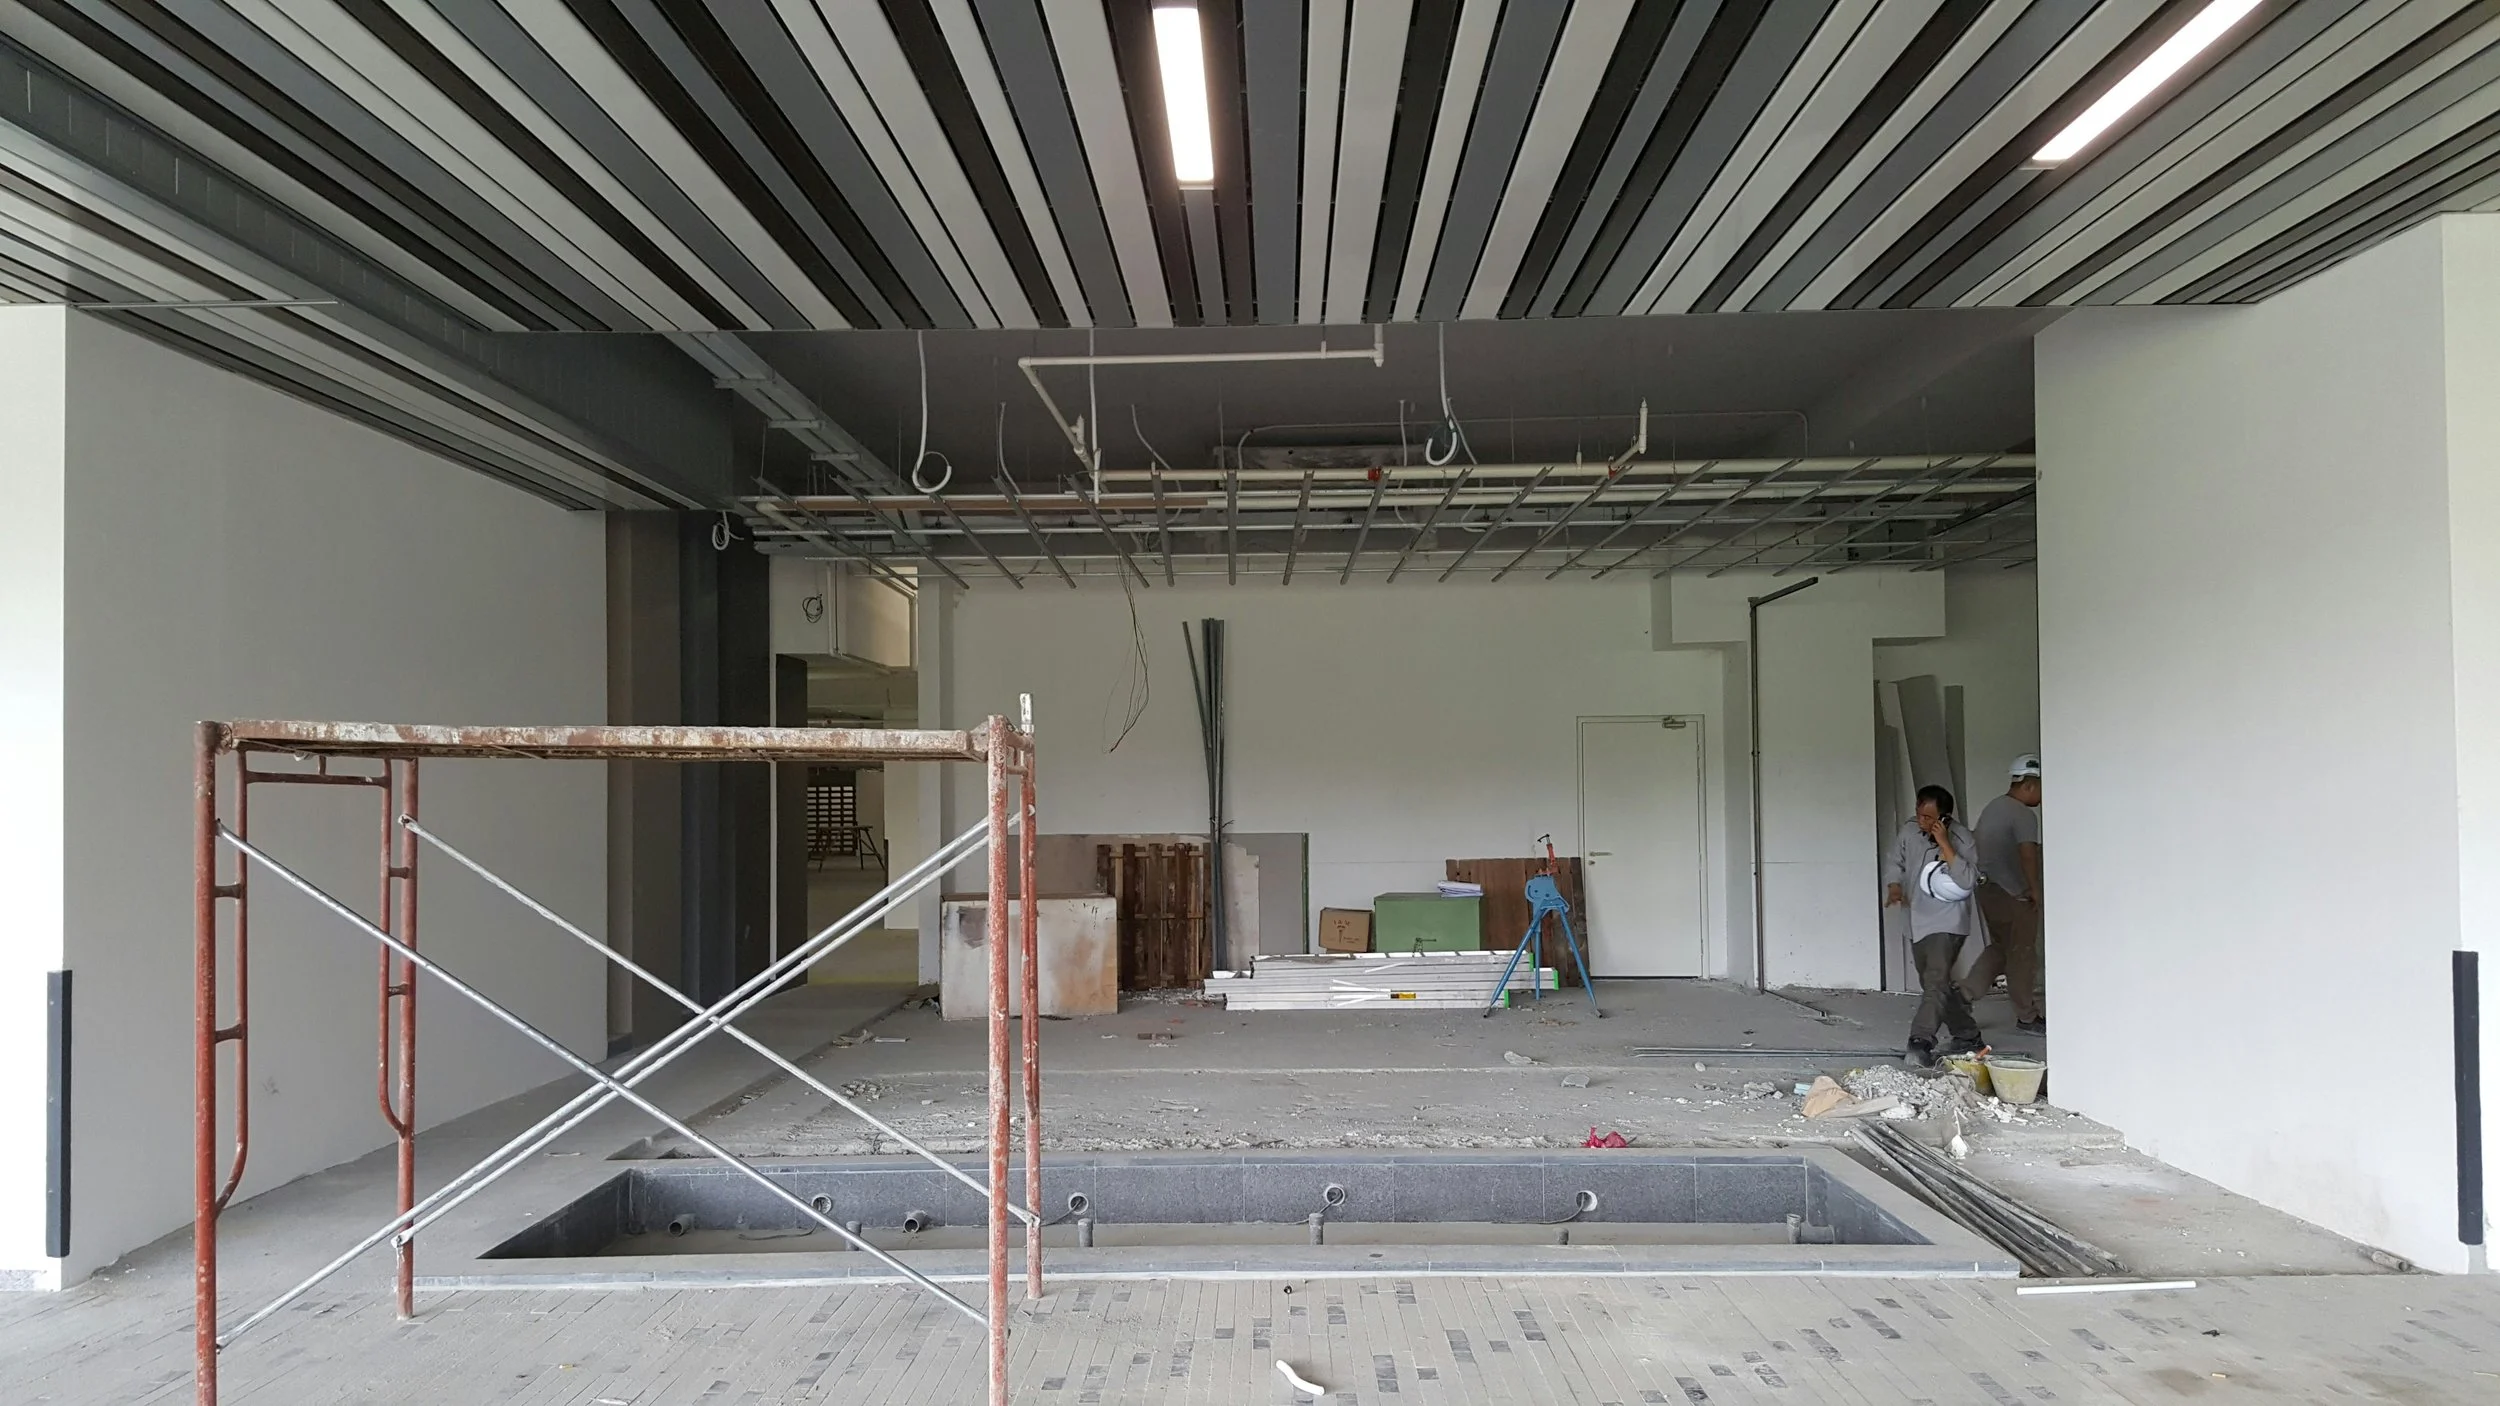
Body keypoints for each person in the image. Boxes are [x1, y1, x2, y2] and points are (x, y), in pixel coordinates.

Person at [1884, 783, 1984, 1067]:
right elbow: (1896, 861)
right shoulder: (1910, 831)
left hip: (1948, 921)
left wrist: (1945, 844)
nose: (1922, 821)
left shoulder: (1962, 839)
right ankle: (1967, 1034)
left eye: (1929, 817)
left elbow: (1968, 880)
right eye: (1919, 814)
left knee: (1936, 980)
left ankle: (1921, 1041)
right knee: (1934, 983)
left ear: (1945, 817)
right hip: (1917, 919)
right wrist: (1894, 886)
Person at [1961, 755, 2045, 1033]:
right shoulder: (2023, 814)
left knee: (2000, 947)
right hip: (2011, 893)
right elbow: (2028, 854)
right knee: (2022, 953)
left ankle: (1963, 997)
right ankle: (2028, 1016)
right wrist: (2033, 889)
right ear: (2031, 785)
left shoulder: (1994, 806)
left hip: (1987, 889)